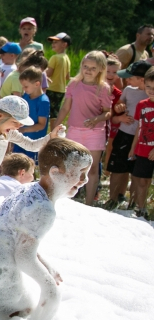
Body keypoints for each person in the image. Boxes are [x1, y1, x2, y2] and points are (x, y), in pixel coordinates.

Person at [0, 138, 91, 320]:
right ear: (56, 173)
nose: (85, 180)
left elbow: (11, 233)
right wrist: (48, 286)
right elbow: (24, 256)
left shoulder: (25, 189)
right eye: (80, 173)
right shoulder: (44, 209)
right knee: (20, 313)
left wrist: (46, 265)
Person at [0, 96, 58, 217]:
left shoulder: (8, 133)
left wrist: (51, 136)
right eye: (15, 122)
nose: (18, 126)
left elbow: (31, 145)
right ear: (0, 115)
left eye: (21, 124)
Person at [51, 51, 113, 205]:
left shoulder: (103, 88)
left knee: (92, 169)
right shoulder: (74, 84)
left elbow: (108, 112)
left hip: (95, 132)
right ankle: (66, 198)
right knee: (70, 165)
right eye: (86, 66)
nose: (88, 70)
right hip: (75, 130)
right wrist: (57, 125)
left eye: (93, 68)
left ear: (100, 69)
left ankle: (89, 202)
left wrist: (96, 119)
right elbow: (66, 107)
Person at [107, 61, 151, 210]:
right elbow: (119, 105)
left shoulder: (150, 94)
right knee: (118, 168)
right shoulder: (128, 90)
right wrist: (120, 108)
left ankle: (134, 204)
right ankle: (112, 199)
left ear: (142, 79)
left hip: (143, 140)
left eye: (130, 77)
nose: (127, 80)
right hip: (124, 134)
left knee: (136, 173)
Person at [126, 67, 154, 219]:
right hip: (142, 149)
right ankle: (141, 208)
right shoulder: (142, 104)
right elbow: (140, 127)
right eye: (148, 87)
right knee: (141, 180)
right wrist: (133, 147)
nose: (151, 91)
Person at [13, 67, 51, 160]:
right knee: (16, 161)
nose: (23, 89)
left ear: (37, 84)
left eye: (25, 86)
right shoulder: (26, 95)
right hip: (21, 138)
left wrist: (25, 130)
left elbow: (41, 125)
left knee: (30, 164)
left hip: (34, 140)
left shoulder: (43, 102)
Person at [45, 32, 71, 118]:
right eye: (53, 42)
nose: (53, 44)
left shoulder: (55, 58)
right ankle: (54, 131)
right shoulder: (67, 59)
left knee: (46, 113)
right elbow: (67, 76)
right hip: (61, 90)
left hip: (51, 88)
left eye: (56, 42)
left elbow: (48, 74)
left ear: (64, 44)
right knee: (54, 113)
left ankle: (49, 130)